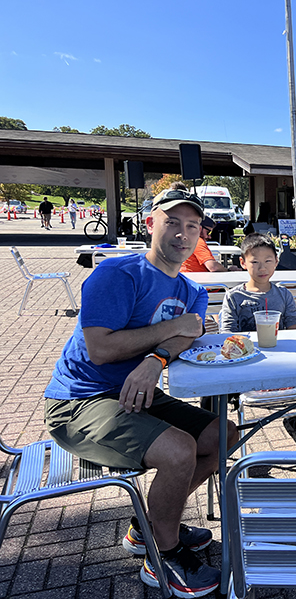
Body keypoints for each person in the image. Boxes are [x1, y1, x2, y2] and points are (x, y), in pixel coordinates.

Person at [43, 189, 238, 597]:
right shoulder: (118, 273)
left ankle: (147, 525)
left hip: (137, 389)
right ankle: (162, 556)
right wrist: (173, 328)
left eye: (191, 226)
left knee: (223, 434)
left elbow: (190, 337)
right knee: (180, 449)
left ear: (200, 234)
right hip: (78, 401)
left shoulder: (194, 291)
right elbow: (101, 349)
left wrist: (157, 360)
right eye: (172, 223)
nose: (182, 235)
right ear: (150, 224)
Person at [218, 233, 296, 450]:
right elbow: (227, 340)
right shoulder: (234, 297)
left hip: (284, 366)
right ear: (243, 263)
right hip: (248, 370)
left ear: (276, 262)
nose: (262, 267)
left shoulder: (284, 296)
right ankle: (216, 446)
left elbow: (293, 336)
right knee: (210, 389)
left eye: (268, 261)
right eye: (254, 262)